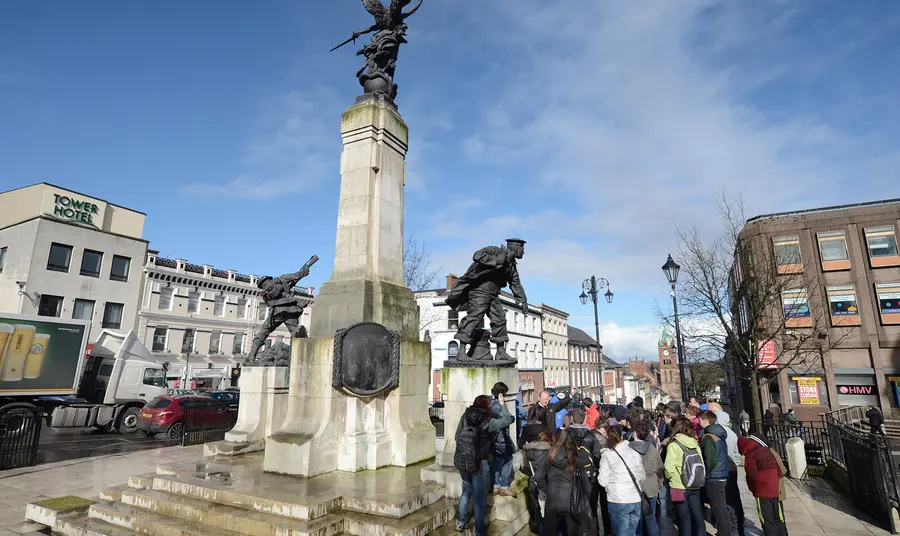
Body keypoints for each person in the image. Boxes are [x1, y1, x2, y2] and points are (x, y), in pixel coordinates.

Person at [445, 239, 528, 362]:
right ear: (516, 248)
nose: (523, 252)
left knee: (500, 320)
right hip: (479, 291)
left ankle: (500, 352)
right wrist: (495, 261)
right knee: (474, 318)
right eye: (522, 249)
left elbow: (515, 283)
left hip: (493, 295)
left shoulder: (511, 266)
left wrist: (523, 300)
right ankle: (461, 352)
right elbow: (477, 255)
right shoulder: (494, 251)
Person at [454, 394, 514, 534]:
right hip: (480, 462)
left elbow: (457, 436)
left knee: (467, 489)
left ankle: (461, 522)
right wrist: (502, 403)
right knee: (479, 499)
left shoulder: (465, 416)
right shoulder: (488, 421)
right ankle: (479, 532)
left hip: (463, 459)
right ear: (486, 406)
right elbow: (506, 420)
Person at [535, 414, 594, 536]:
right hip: (570, 503)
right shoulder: (576, 459)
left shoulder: (549, 455)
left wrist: (547, 489)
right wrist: (584, 498)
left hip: (552, 501)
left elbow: (538, 477)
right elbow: (586, 487)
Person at [598, 425, 646, 536]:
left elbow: (602, 481)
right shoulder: (634, 451)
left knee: (622, 532)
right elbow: (642, 476)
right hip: (635, 498)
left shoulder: (607, 455)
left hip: (618, 498)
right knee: (632, 532)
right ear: (621, 436)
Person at [738, 435, 787, 536]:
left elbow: (751, 476)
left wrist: (753, 490)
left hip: (762, 492)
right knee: (779, 517)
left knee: (766, 519)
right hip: (775, 490)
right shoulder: (767, 450)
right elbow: (779, 470)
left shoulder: (750, 455)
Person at [664, 417, 705, 536]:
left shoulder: (673, 445)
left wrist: (670, 479)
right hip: (694, 484)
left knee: (683, 519)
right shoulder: (695, 444)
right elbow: (701, 462)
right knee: (698, 516)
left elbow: (668, 468)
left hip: (678, 486)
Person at [566, 409, 604, 536]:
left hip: (570, 473)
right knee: (591, 505)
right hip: (588, 475)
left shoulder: (565, 434)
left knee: (572, 503)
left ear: (571, 419)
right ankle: (592, 531)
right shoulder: (590, 435)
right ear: (583, 420)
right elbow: (597, 455)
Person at [698, 411, 732, 536]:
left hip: (713, 477)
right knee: (722, 507)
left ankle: (724, 533)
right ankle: (726, 532)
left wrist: (705, 472)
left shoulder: (708, 437)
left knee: (718, 509)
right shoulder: (719, 434)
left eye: (700, 420)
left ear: (706, 421)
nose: (699, 422)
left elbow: (710, 460)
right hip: (722, 474)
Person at [522, 408, 553, 535]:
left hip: (533, 482)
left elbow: (521, 444)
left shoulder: (529, 450)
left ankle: (537, 527)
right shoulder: (550, 451)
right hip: (545, 484)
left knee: (537, 511)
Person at [630, 421, 664, 536]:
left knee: (637, 521)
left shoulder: (628, 449)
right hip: (651, 486)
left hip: (634, 488)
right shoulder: (652, 448)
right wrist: (659, 485)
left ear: (635, 433)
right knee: (651, 519)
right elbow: (660, 469)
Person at [714, 410, 745, 536]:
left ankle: (732, 526)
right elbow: (737, 453)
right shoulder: (733, 433)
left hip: (724, 468)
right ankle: (738, 521)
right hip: (732, 468)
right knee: (734, 497)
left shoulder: (720, 434)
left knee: (726, 499)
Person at [490, 382, 517, 497]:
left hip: (494, 438)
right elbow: (507, 419)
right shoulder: (498, 406)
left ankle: (495, 486)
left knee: (496, 461)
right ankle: (504, 486)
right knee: (508, 460)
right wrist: (512, 417)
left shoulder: (490, 403)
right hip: (501, 438)